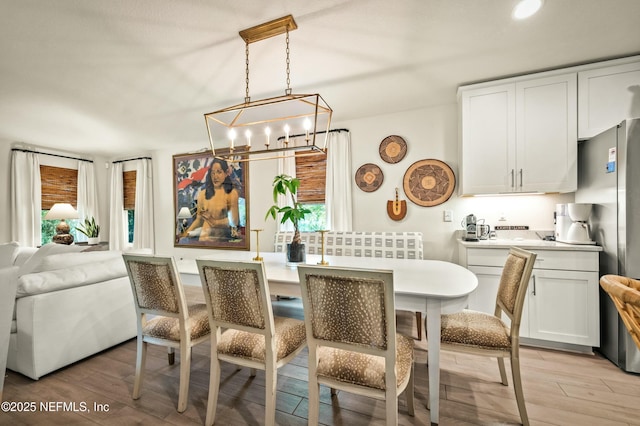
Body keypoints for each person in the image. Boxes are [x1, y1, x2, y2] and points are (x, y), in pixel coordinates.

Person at [185, 158, 240, 241]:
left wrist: (215, 222)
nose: (215, 176)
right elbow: (199, 220)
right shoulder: (203, 194)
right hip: (203, 240)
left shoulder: (231, 194)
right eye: (213, 173)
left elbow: (234, 221)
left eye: (219, 172)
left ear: (226, 173)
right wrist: (185, 234)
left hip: (220, 242)